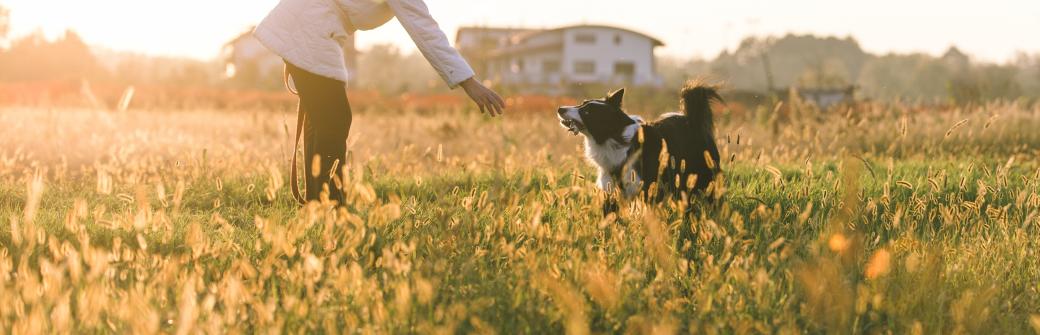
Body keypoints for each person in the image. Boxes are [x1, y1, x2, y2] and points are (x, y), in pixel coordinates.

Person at [254, 0, 506, 205]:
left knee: (326, 119)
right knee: (334, 118)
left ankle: (320, 204)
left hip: (312, 26)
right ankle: (328, 205)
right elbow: (425, 30)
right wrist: (469, 82)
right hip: (309, 26)